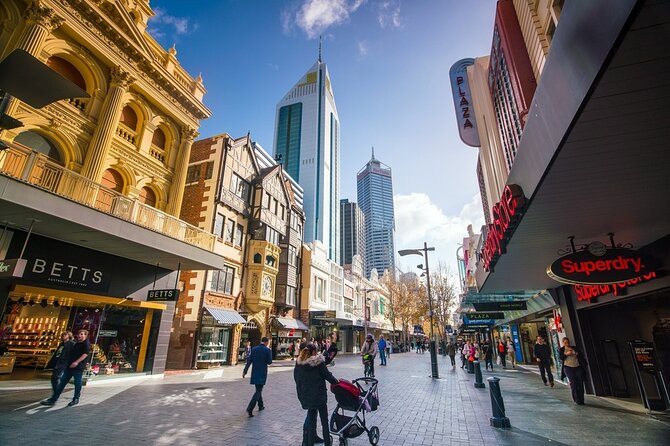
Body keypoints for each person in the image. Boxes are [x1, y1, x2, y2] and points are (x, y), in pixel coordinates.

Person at [295, 342, 339, 446]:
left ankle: (310, 443)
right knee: (324, 422)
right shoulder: (318, 363)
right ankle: (327, 443)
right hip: (319, 397)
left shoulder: (300, 364)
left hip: (308, 397)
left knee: (311, 423)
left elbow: (297, 379)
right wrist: (337, 382)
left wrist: (301, 395)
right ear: (314, 351)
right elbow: (328, 376)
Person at [41, 329, 90, 407]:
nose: (80, 335)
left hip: (78, 367)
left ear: (86, 336)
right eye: (79, 334)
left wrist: (76, 362)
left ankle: (76, 399)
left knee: (77, 383)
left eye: (82, 334)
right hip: (69, 366)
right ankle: (53, 399)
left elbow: (85, 354)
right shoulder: (77, 343)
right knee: (62, 382)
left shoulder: (86, 343)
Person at [242, 337, 273, 417]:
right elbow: (269, 362)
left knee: (258, 389)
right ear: (266, 342)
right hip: (262, 372)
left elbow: (249, 361)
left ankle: (261, 405)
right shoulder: (267, 350)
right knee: (259, 390)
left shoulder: (254, 349)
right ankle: (250, 408)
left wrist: (245, 371)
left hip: (255, 372)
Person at [560, 337, 588, 405]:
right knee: (574, 384)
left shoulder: (574, 348)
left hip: (577, 367)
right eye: (565, 342)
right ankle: (576, 399)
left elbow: (580, 354)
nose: (566, 343)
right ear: (563, 343)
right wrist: (566, 354)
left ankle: (582, 400)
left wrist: (574, 352)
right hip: (568, 368)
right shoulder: (562, 349)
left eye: (567, 342)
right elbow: (561, 358)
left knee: (580, 383)